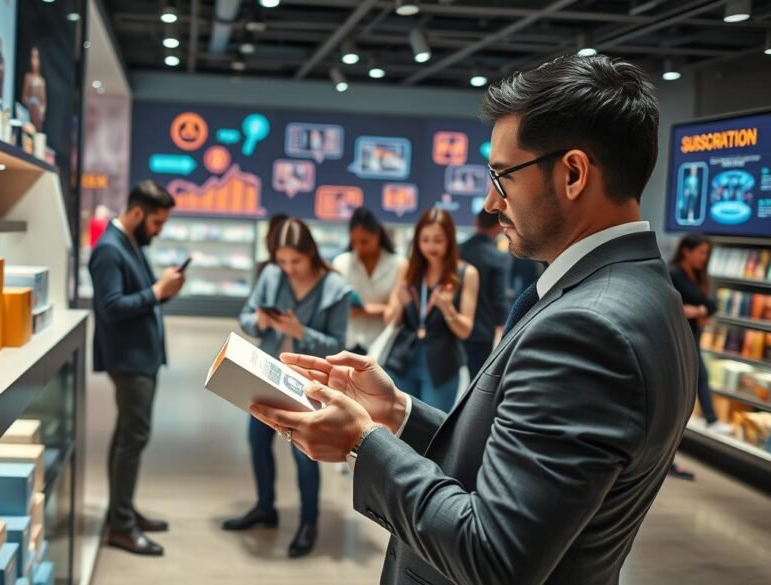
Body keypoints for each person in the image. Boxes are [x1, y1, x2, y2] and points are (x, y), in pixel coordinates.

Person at [249, 55, 696, 585]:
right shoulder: (642, 292)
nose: (489, 203)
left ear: (573, 173)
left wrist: (361, 443)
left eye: (502, 177)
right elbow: (521, 469)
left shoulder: (589, 329)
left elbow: (494, 557)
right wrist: (396, 413)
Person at [224, 217, 351, 559]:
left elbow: (338, 344)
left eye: (295, 261)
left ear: (311, 254)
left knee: (304, 453)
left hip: (307, 386)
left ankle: (309, 523)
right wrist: (260, 321)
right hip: (264, 375)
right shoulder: (271, 276)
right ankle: (265, 507)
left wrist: (300, 331)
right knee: (257, 442)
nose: (288, 269)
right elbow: (246, 316)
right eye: (282, 261)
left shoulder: (335, 289)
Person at [89, 180, 184, 557]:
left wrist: (164, 290)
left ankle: (122, 512)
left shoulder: (129, 242)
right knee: (133, 438)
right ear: (139, 213)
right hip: (129, 362)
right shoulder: (109, 250)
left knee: (128, 436)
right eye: (157, 222)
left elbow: (140, 295)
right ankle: (122, 527)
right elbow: (111, 307)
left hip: (140, 357)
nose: (159, 230)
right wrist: (157, 292)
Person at [383, 209, 479, 411]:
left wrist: (447, 309)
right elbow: (389, 319)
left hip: (442, 363)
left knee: (432, 430)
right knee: (399, 427)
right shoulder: (408, 270)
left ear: (450, 240)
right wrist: (400, 303)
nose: (431, 246)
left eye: (438, 240)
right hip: (404, 360)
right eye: (424, 239)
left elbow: (465, 330)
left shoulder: (466, 273)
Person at [667, 233, 734, 480]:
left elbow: (711, 303)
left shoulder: (698, 277)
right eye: (701, 252)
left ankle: (710, 419)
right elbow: (670, 305)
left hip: (693, 338)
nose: (704, 258)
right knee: (693, 383)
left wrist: (700, 310)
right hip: (679, 340)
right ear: (686, 250)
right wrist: (694, 310)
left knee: (697, 382)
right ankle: (711, 419)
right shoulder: (673, 274)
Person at [332, 207, 402, 355]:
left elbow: (393, 314)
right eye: (354, 241)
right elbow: (340, 309)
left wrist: (363, 309)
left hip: (384, 346)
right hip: (348, 343)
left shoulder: (399, 265)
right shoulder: (341, 263)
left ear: (377, 235)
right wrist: (381, 308)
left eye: (365, 241)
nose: (359, 247)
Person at [459, 209, 509, 376]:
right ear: (499, 227)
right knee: (477, 380)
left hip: (454, 326)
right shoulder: (497, 257)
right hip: (482, 330)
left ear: (476, 222)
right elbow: (499, 298)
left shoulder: (457, 251)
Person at [22, 47, 48, 132]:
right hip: (29, 115)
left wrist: (41, 110)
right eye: (33, 57)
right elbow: (24, 98)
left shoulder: (42, 81)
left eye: (36, 58)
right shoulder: (28, 77)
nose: (34, 61)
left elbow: (43, 102)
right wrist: (31, 102)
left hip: (38, 118)